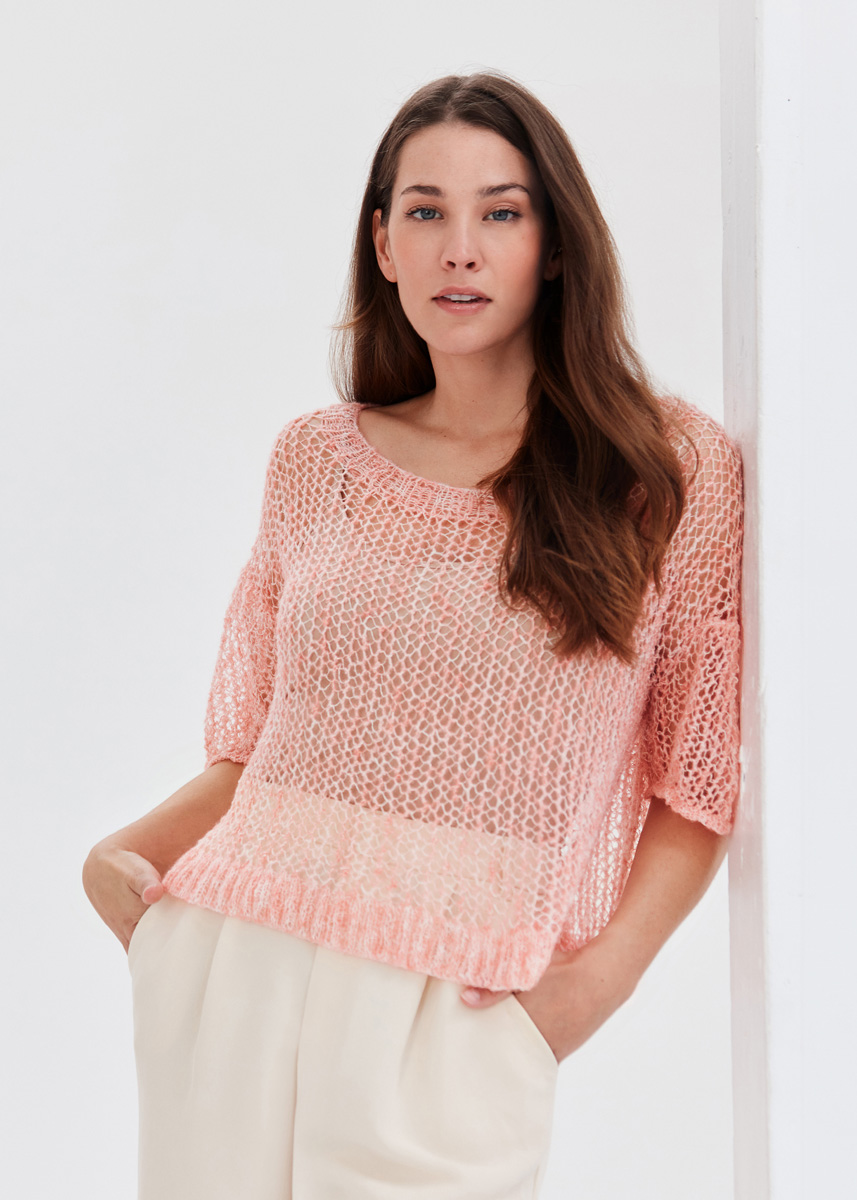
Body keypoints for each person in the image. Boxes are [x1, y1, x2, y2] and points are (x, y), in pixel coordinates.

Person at [82, 69, 744, 1200]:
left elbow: (695, 781)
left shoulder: (663, 470)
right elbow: (263, 751)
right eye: (426, 211)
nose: (460, 250)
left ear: (554, 245)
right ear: (382, 243)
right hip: (233, 976)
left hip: (458, 1015)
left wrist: (581, 996)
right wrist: (121, 857)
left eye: (501, 211)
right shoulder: (317, 461)